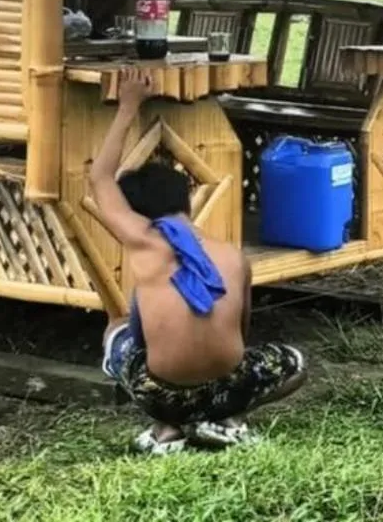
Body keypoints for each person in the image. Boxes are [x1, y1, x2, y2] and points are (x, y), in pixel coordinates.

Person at [93, 70, 308, 454]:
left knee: (116, 330)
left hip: (160, 395)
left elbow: (100, 179)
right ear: (186, 204)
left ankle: (167, 432)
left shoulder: (144, 241)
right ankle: (227, 420)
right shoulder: (233, 257)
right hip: (229, 386)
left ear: (140, 214)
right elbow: (240, 331)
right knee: (293, 362)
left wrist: (128, 106)